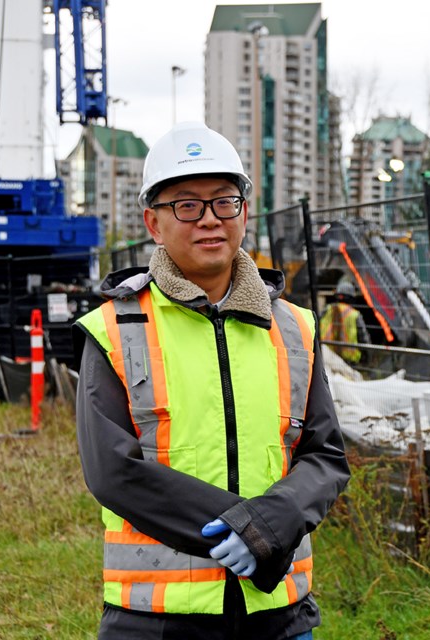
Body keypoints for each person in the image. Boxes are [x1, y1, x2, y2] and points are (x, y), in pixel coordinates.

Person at [73, 121, 350, 640]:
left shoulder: (293, 328)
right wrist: (251, 529)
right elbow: (112, 471)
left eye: (224, 201)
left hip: (280, 617)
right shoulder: (113, 329)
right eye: (186, 205)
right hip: (155, 620)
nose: (209, 220)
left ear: (243, 212)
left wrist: (272, 523)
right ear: (153, 222)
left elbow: (326, 456)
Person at [319, 280, 370, 365]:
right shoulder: (355, 315)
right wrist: (367, 358)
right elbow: (364, 340)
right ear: (351, 298)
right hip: (348, 362)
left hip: (326, 358)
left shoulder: (327, 310)